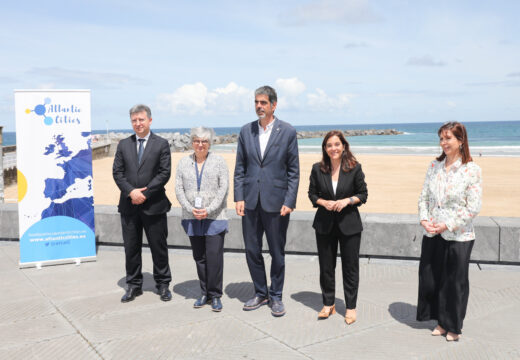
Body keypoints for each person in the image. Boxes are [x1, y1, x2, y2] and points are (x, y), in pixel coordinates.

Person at [234, 85, 300, 317]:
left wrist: (290, 200)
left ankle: (276, 296)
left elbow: (293, 171)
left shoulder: (288, 131)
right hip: (250, 202)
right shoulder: (245, 131)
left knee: (277, 252)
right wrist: (239, 196)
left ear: (274, 104)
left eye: (263, 102)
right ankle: (260, 292)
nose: (259, 106)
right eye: (256, 102)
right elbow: (240, 167)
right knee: (252, 250)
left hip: (277, 204)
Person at [417, 121, 482, 342]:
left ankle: (454, 325)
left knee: (455, 282)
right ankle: (441, 321)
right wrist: (424, 219)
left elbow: (473, 207)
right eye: (442, 138)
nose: (444, 142)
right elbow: (424, 196)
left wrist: (448, 224)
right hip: (433, 232)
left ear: (460, 141)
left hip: (458, 234)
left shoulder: (471, 169)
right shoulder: (434, 166)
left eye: (448, 138)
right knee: (432, 278)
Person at [113, 104, 172, 303]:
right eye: (134, 121)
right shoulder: (123, 145)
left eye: (141, 120)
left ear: (150, 120)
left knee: (159, 247)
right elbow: (117, 173)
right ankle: (133, 285)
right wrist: (131, 192)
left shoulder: (161, 144)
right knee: (131, 248)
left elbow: (164, 173)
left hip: (154, 205)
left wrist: (144, 194)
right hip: (129, 206)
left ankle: (163, 284)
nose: (138, 124)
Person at [308, 130, 367, 324]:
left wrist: (347, 201)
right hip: (324, 225)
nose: (333, 148)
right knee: (326, 267)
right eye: (329, 145)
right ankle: (328, 304)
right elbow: (312, 195)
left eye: (336, 144)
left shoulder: (354, 168)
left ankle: (350, 307)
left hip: (349, 225)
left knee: (350, 268)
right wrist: (323, 202)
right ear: (325, 148)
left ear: (343, 146)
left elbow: (363, 194)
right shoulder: (317, 168)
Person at [175, 127, 229, 312]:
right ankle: (204, 292)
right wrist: (191, 209)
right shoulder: (183, 163)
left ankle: (215, 295)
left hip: (215, 217)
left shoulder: (219, 161)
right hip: (191, 217)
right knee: (199, 257)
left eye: (204, 141)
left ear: (209, 143)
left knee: (214, 257)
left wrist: (209, 209)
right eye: (197, 141)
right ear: (192, 142)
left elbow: (224, 189)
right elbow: (178, 189)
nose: (200, 144)